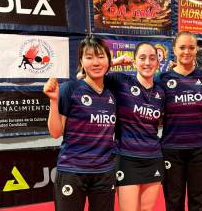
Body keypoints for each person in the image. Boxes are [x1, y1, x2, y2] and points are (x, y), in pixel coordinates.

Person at [43, 36, 116, 211]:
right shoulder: (70, 89)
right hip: (72, 170)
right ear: (81, 61)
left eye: (100, 56)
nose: (96, 62)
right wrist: (53, 102)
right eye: (89, 57)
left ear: (108, 60)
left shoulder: (114, 90)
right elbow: (55, 132)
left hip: (104, 171)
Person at [158, 32, 202, 211]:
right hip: (172, 149)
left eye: (191, 47)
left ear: (197, 49)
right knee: (174, 201)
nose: (186, 51)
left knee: (198, 201)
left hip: (200, 148)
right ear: (174, 49)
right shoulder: (162, 79)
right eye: (182, 47)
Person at [106, 42, 165, 211]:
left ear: (158, 63)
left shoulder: (161, 92)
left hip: (153, 157)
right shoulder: (121, 82)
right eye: (142, 58)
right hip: (126, 158)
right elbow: (84, 75)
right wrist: (115, 62)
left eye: (152, 58)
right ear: (134, 61)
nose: (147, 63)